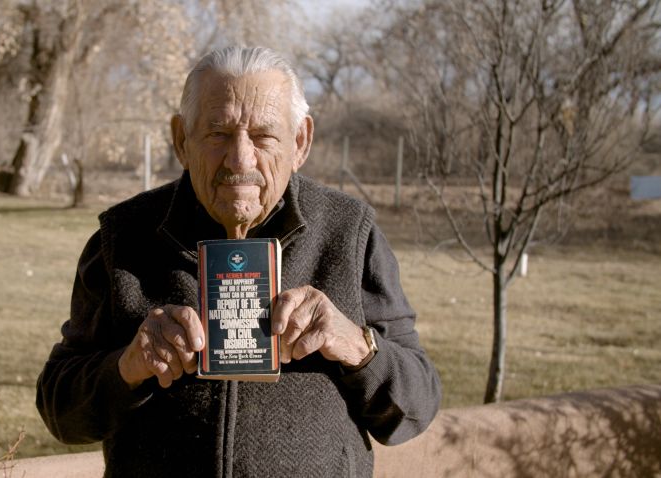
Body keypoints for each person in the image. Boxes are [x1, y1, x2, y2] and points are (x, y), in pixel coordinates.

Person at [36, 46, 441, 478]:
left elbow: (415, 408)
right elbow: (60, 410)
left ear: (300, 142)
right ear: (181, 140)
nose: (240, 160)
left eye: (264, 136)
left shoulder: (348, 233)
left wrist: (358, 348)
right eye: (218, 134)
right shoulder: (124, 237)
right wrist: (127, 367)